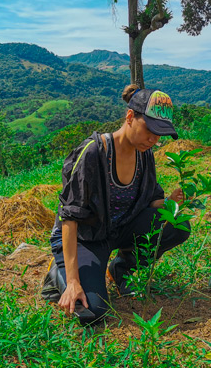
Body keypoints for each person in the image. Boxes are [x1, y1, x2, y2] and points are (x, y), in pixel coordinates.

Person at [42, 85, 190, 325]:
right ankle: (59, 271)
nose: (154, 139)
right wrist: (73, 282)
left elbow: (152, 201)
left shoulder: (145, 153)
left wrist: (172, 203)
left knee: (177, 225)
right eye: (150, 130)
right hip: (85, 237)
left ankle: (121, 270)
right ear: (130, 117)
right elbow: (70, 217)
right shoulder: (93, 153)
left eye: (160, 133)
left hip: (118, 229)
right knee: (92, 312)